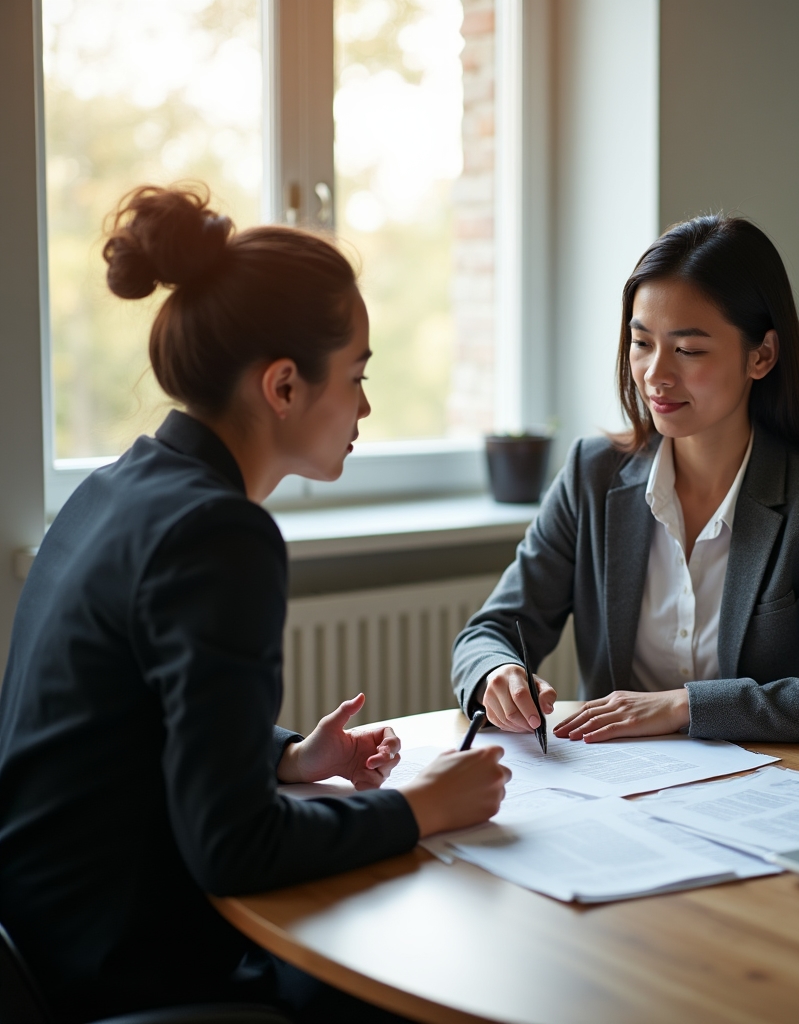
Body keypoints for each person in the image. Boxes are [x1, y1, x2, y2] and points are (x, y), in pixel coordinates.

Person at [0, 185, 509, 1024]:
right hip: (123, 974)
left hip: (42, 942)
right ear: (282, 385)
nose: (366, 406)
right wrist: (420, 807)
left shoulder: (116, 487)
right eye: (357, 375)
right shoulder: (219, 533)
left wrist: (281, 757)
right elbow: (234, 849)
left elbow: (128, 720)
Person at [452, 214, 799, 746]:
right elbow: (489, 633)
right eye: (642, 343)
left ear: (760, 356)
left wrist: (684, 706)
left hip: (759, 798)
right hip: (613, 788)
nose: (655, 374)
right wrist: (496, 674)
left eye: (688, 350)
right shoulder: (592, 476)